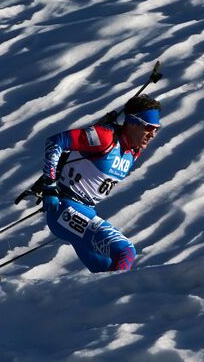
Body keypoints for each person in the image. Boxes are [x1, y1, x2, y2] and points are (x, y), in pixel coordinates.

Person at [14, 95, 162, 273]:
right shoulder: (104, 137)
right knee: (126, 251)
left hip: (86, 211)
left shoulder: (134, 150)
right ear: (132, 122)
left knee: (105, 272)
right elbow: (56, 141)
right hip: (64, 209)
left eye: (157, 129)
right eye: (149, 127)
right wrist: (49, 186)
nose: (153, 134)